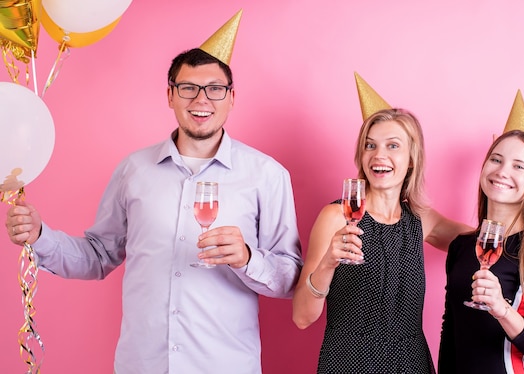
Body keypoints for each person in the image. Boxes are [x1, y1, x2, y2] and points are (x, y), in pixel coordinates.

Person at [5, 10, 302, 374]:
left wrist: (246, 258)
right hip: (141, 365)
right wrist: (40, 236)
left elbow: (291, 278)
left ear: (231, 97)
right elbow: (98, 255)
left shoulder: (267, 175)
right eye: (188, 88)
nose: (201, 100)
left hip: (225, 365)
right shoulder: (134, 170)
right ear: (170, 95)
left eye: (215, 89)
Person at [293, 73, 470, 373]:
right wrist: (327, 263)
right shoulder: (335, 217)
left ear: (412, 158)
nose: (379, 155)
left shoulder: (420, 220)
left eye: (393, 146)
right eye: (370, 146)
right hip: (348, 362)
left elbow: (483, 243)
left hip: (411, 363)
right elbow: (302, 317)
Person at [438, 130, 524, 373]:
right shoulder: (461, 246)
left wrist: (502, 309)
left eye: (519, 166)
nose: (502, 171)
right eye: (496, 159)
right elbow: (451, 330)